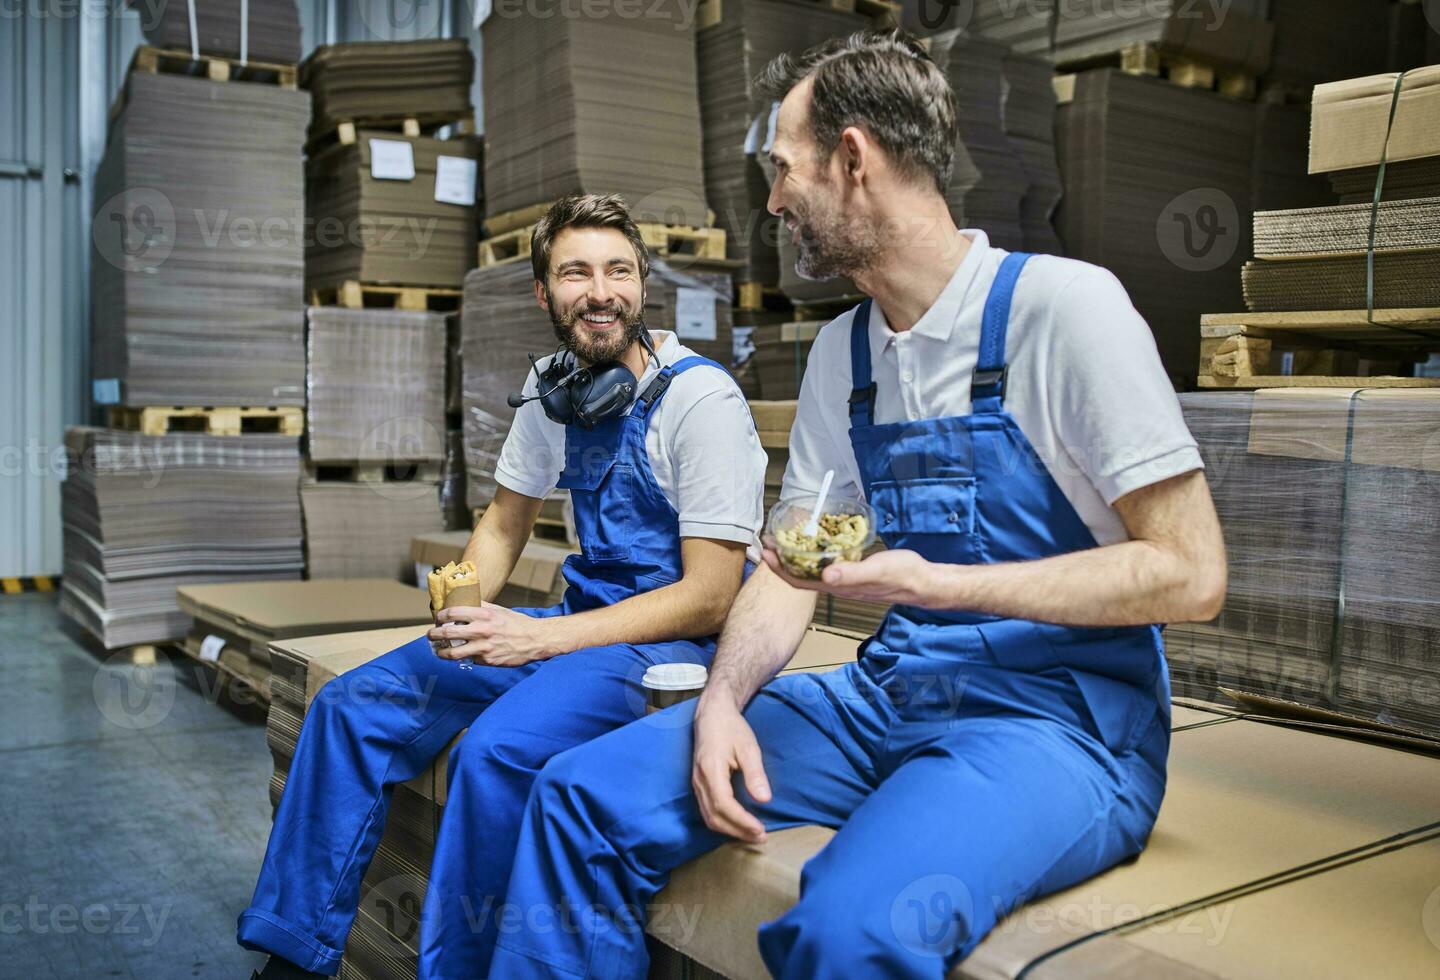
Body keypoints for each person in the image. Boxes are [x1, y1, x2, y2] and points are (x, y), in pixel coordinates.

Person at [485, 31, 1228, 980]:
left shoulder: (1067, 313)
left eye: (784, 169)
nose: (773, 200)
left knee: (847, 928)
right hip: (886, 696)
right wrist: (721, 704)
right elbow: (788, 565)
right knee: (578, 795)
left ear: (852, 159)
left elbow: (1191, 573)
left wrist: (945, 587)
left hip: (1055, 726)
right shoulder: (844, 353)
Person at [240, 194, 767, 980]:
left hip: (669, 649)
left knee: (496, 755)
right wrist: (464, 607)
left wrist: (542, 636)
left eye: (619, 271)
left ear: (642, 285)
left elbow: (712, 595)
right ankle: (291, 957)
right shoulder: (558, 389)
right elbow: (503, 523)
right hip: (584, 622)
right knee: (351, 707)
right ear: (543, 293)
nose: (601, 292)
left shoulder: (700, 401)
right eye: (576, 272)